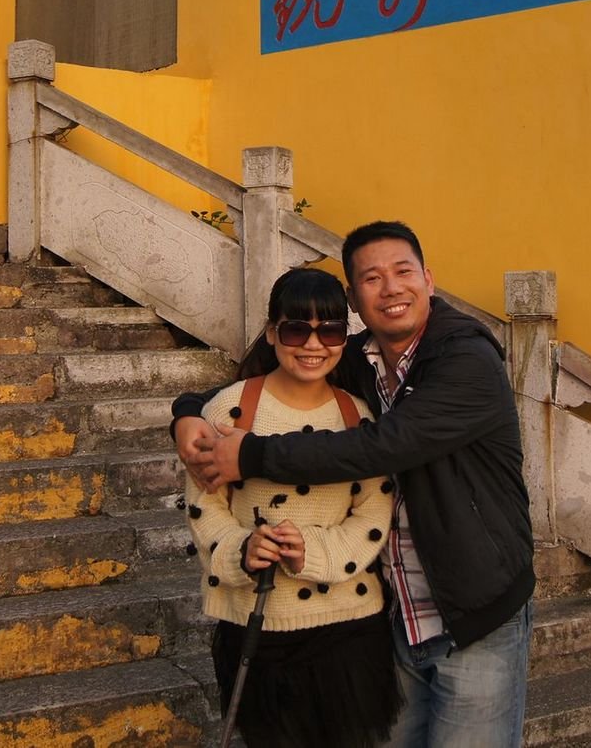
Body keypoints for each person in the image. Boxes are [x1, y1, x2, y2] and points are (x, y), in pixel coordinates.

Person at [175, 221, 535, 747]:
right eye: (372, 278)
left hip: (475, 610)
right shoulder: (359, 358)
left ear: (428, 279)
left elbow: (382, 445)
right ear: (354, 299)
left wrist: (251, 455)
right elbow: (268, 370)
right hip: (397, 614)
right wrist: (186, 412)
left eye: (403, 272)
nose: (391, 288)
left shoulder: (466, 359)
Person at [184, 266, 400, 748]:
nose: (313, 344)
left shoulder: (357, 414)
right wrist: (242, 549)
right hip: (257, 623)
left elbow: (373, 510)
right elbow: (204, 504)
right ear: (271, 332)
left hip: (348, 623)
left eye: (331, 331)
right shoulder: (229, 409)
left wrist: (314, 551)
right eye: (296, 330)